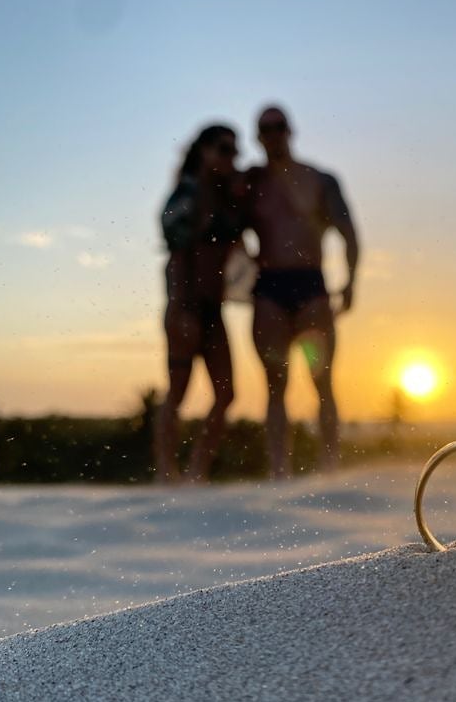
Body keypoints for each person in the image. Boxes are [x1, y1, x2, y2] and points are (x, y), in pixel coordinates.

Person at [246, 106, 359, 479]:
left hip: (310, 286)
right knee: (275, 384)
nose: (273, 134)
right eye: (266, 129)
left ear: (290, 131)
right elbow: (222, 231)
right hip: (270, 289)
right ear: (258, 136)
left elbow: (348, 232)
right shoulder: (252, 184)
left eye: (278, 127)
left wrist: (350, 282)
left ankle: (331, 467)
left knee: (321, 381)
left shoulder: (319, 180)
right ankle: (280, 470)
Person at [154, 124, 245, 483]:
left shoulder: (227, 195)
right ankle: (166, 472)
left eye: (235, 150)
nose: (231, 157)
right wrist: (179, 307)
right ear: (203, 150)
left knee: (226, 394)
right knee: (177, 391)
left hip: (213, 308)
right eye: (224, 149)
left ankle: (196, 473)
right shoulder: (188, 193)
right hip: (185, 304)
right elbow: (176, 254)